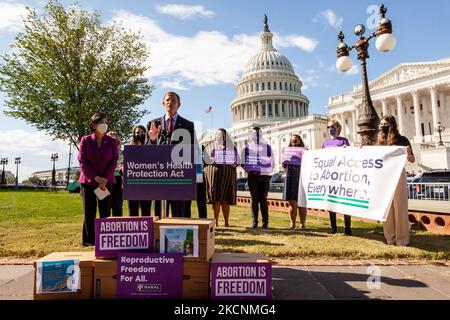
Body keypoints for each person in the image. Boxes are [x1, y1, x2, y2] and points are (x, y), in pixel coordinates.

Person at [148, 92, 195, 218]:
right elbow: (147, 150)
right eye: (167, 100)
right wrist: (152, 139)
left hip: (178, 174)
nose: (170, 102)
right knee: (159, 209)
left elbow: (191, 150)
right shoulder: (154, 123)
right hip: (160, 173)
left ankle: (178, 235)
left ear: (178, 104)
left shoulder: (188, 125)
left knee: (178, 209)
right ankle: (158, 235)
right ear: (163, 104)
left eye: (173, 100)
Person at [78, 112, 118, 246]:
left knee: (105, 212)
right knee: (89, 212)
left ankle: (104, 241)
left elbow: (114, 161)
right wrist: (95, 177)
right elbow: (82, 161)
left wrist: (104, 178)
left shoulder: (112, 141)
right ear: (94, 125)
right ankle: (89, 242)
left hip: (106, 183)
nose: (104, 125)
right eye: (102, 123)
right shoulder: (85, 140)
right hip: (89, 182)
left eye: (106, 122)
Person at [376, 115, 415, 246]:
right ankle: (390, 238)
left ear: (392, 125)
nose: (382, 127)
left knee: (400, 207)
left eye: (385, 124)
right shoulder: (380, 140)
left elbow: (412, 159)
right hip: (384, 176)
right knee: (387, 208)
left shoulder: (401, 139)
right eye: (381, 125)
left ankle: (402, 239)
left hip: (398, 174)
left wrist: (409, 154)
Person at [322, 119, 352, 235]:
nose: (330, 129)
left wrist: (346, 150)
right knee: (331, 203)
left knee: (345, 202)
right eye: (328, 127)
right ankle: (333, 227)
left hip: (342, 175)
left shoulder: (343, 141)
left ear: (338, 128)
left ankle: (347, 228)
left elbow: (349, 155)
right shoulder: (325, 143)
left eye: (332, 127)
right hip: (330, 176)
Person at [204, 129, 238, 227]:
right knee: (216, 200)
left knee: (225, 200)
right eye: (218, 134)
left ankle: (226, 221)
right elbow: (204, 159)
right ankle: (216, 222)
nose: (220, 136)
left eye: (222, 134)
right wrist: (211, 160)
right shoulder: (209, 146)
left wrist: (233, 162)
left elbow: (237, 161)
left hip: (227, 176)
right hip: (215, 176)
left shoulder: (232, 148)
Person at [243, 127, 273, 229]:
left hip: (264, 176)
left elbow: (271, 161)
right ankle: (254, 222)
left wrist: (269, 168)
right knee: (254, 200)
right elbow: (243, 162)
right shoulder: (247, 148)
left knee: (263, 200)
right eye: (254, 133)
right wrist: (246, 168)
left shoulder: (267, 147)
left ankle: (265, 222)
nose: (256, 135)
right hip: (252, 176)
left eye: (258, 133)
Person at [282, 134, 307, 229]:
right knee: (292, 202)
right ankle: (292, 224)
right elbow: (284, 165)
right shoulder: (287, 151)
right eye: (292, 141)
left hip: (301, 177)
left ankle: (302, 224)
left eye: (296, 140)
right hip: (290, 177)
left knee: (301, 202)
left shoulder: (305, 151)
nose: (294, 143)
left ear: (300, 141)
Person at [128, 125, 151, 216]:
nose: (139, 134)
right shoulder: (129, 148)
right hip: (132, 185)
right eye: (137, 132)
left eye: (142, 132)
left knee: (146, 211)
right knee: (133, 211)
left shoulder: (150, 148)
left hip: (146, 186)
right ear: (134, 134)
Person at [107, 131, 123, 217]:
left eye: (115, 140)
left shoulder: (122, 152)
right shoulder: (103, 151)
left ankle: (118, 225)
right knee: (106, 204)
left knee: (117, 204)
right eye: (110, 139)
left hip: (118, 179)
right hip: (106, 179)